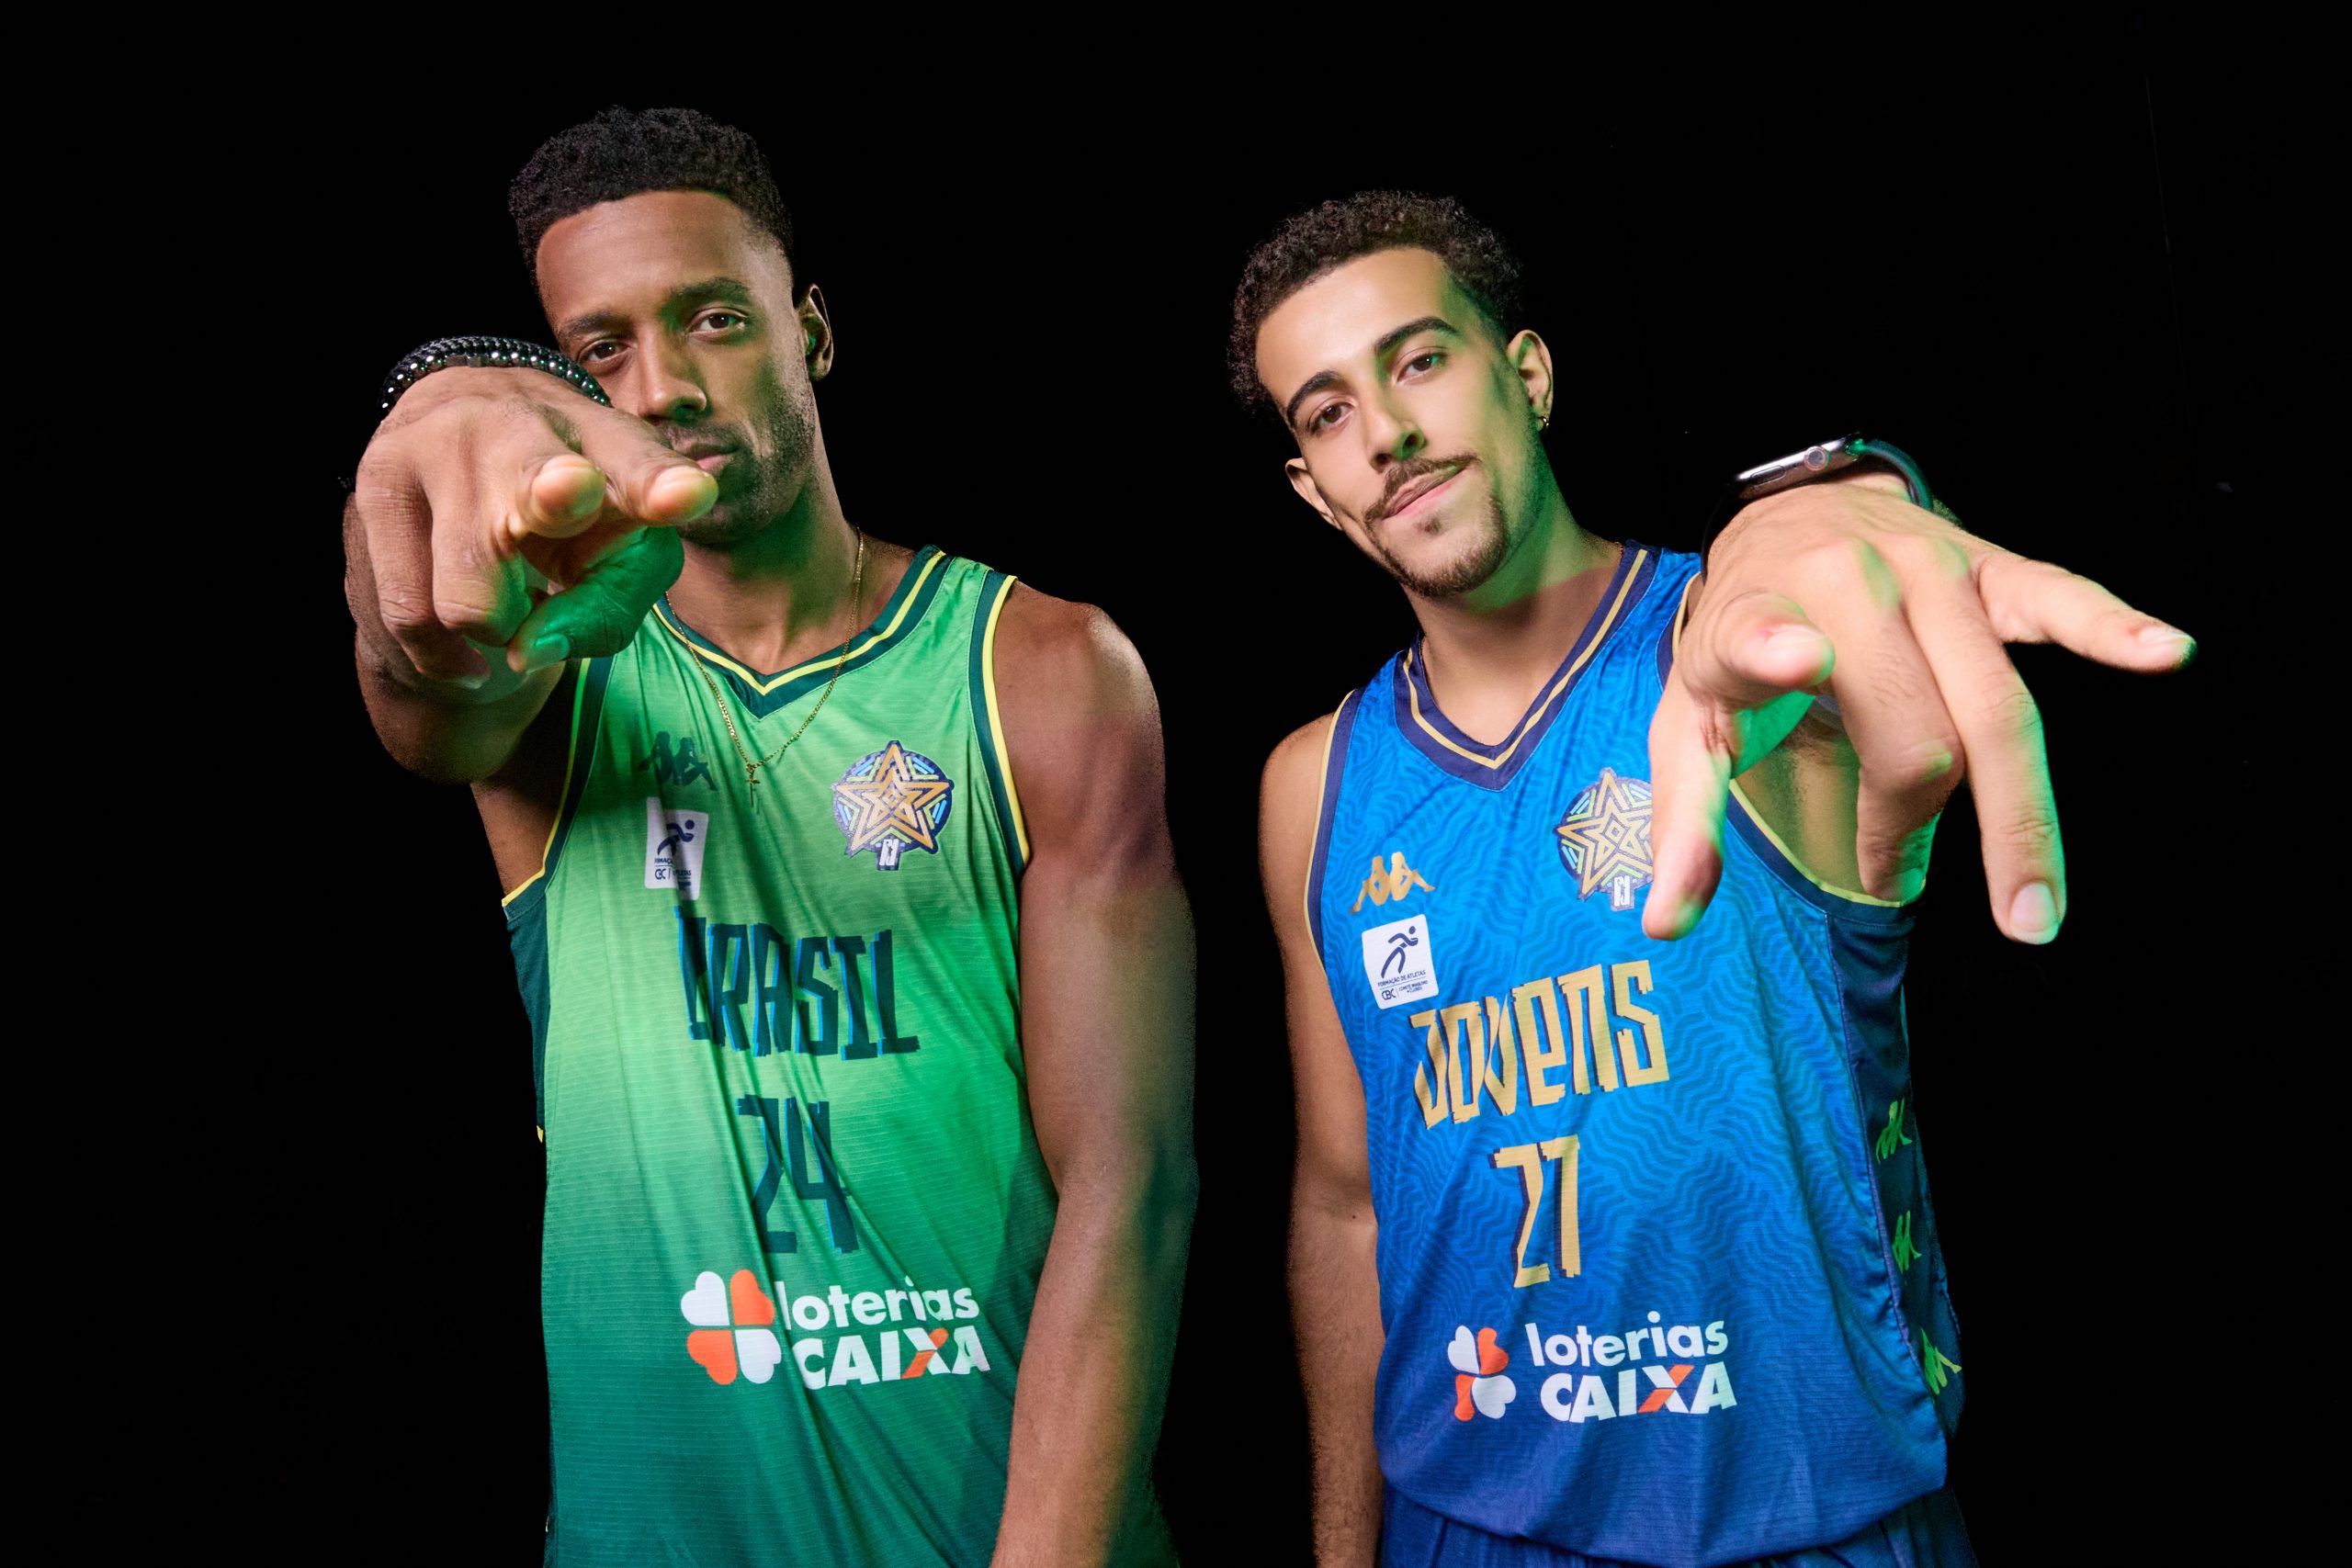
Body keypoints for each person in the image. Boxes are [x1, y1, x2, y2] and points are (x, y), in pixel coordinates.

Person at [1238, 195, 2193, 1568]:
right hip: (1470, 1522)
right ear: (1312, 489)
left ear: (1529, 375)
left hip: (1807, 1515)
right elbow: (1344, 1206)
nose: (1384, 431)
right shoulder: (1313, 787)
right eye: (1328, 413)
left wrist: (1846, 493)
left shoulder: (1738, 658)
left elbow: (1833, 564)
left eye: (1421, 360)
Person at [342, 107, 1195, 1565]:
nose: (664, 386)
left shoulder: (1041, 667)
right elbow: (428, 679)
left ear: (811, 331)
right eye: (602, 350)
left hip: (989, 1529)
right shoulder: (558, 665)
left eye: (715, 319)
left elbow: (1132, 1180)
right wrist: (437, 406)